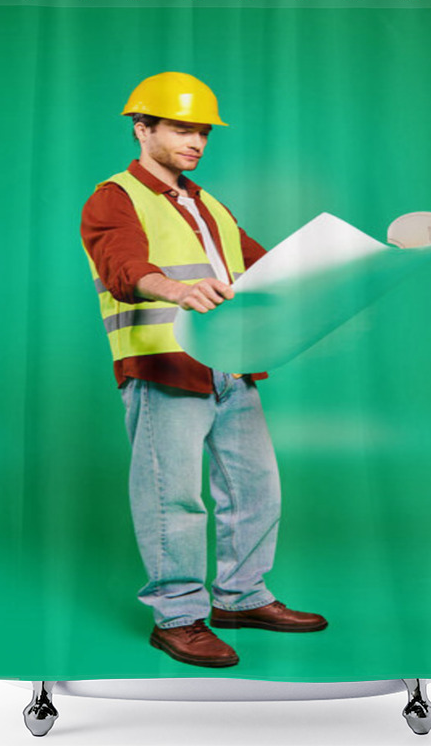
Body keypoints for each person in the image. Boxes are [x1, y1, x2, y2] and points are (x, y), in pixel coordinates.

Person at [80, 72, 327, 669]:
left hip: (230, 366)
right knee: (175, 500)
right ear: (143, 130)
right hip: (165, 367)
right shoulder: (114, 197)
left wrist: (338, 277)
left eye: (203, 132)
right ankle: (178, 617)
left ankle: (242, 598)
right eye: (182, 128)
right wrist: (177, 289)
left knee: (257, 489)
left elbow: (261, 267)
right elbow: (121, 265)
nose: (196, 141)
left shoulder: (205, 200)